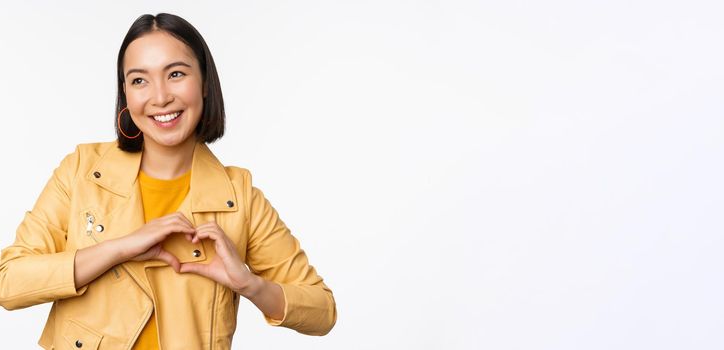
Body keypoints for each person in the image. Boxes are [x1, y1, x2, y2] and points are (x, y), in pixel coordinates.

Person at [0, 13, 336, 349]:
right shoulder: (81, 171)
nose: (160, 97)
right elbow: (8, 282)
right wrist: (119, 248)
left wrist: (249, 285)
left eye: (175, 74)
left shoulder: (239, 197)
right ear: (126, 95)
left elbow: (322, 310)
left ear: (204, 82)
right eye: (139, 80)